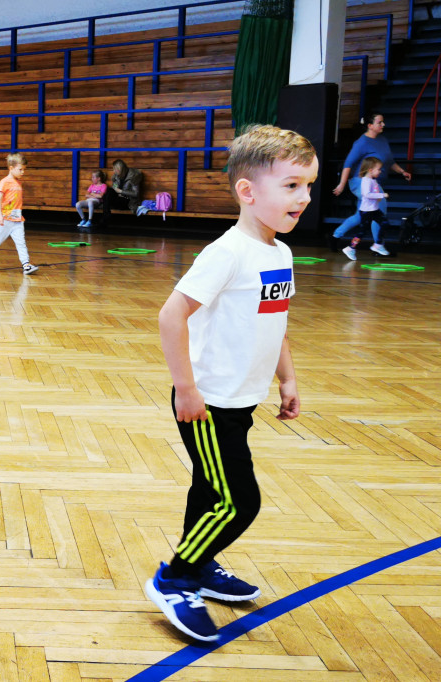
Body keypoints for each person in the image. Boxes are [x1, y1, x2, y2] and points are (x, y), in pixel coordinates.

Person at [145, 125, 315, 643]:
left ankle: (200, 564)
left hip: (243, 400)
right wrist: (187, 389)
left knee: (209, 490)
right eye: (291, 186)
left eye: (308, 185)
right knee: (238, 500)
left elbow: (275, 321)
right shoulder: (228, 252)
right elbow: (170, 316)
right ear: (248, 191)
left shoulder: (279, 253)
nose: (304, 197)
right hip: (207, 403)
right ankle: (174, 578)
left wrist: (287, 379)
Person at [330, 112, 411, 256]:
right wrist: (342, 184)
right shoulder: (362, 143)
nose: (383, 124)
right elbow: (348, 164)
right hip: (360, 182)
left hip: (374, 183)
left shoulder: (383, 140)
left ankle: (336, 236)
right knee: (378, 208)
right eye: (380, 122)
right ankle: (378, 246)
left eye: (383, 122)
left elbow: (390, 162)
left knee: (361, 216)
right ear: (370, 126)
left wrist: (402, 171)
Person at [0, 153, 39, 275]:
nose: (22, 172)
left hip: (18, 219)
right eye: (20, 169)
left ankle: (26, 264)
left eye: (24, 170)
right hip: (5, 219)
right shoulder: (5, 182)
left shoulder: (18, 182)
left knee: (21, 242)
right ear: (11, 168)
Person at [342, 157, 391, 261]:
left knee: (385, 223)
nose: (380, 171)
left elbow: (375, 193)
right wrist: (382, 195)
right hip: (366, 211)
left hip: (374, 210)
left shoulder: (373, 181)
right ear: (370, 170)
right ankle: (350, 248)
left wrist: (378, 197)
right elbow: (366, 194)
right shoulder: (366, 181)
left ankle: (377, 244)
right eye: (378, 169)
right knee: (362, 232)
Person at [102, 159, 142, 224]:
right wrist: (116, 191)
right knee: (109, 191)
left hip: (128, 202)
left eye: (115, 169)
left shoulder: (134, 176)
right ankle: (106, 215)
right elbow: (114, 188)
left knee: (108, 196)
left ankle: (105, 217)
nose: (114, 171)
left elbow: (136, 193)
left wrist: (121, 191)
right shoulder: (116, 176)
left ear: (120, 169)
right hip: (118, 199)